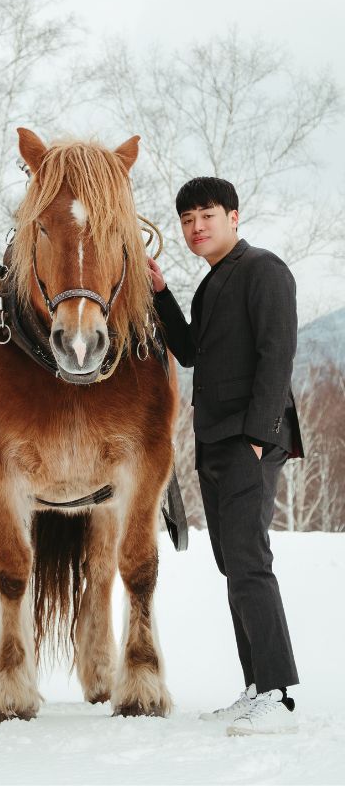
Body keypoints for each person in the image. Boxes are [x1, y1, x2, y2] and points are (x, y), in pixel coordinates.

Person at [146, 176, 303, 737]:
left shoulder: (264, 269)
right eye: (187, 220)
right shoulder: (211, 286)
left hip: (250, 438)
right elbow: (188, 354)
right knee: (233, 562)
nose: (196, 227)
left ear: (234, 216)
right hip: (215, 440)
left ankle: (279, 695)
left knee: (248, 561)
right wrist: (161, 292)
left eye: (207, 215)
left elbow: (278, 353)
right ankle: (258, 684)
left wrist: (259, 436)